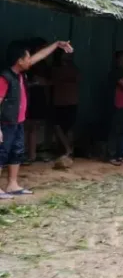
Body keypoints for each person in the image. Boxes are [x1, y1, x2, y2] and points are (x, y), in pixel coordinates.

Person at [1, 40, 72, 198]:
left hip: (17, 121)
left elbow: (39, 56)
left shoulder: (19, 73)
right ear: (19, 61)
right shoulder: (5, 77)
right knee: (2, 153)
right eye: (27, 58)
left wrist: (56, 45)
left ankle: (12, 185)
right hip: (5, 123)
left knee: (16, 152)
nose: (30, 60)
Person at [23, 39, 52, 165]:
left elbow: (48, 82)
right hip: (30, 97)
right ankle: (30, 154)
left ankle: (31, 154)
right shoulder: (30, 65)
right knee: (29, 127)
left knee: (32, 126)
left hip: (38, 97)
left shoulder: (43, 65)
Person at [49, 49, 79, 159]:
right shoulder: (73, 69)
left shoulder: (58, 69)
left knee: (60, 127)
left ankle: (68, 149)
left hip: (63, 101)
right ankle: (69, 149)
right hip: (66, 101)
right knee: (65, 127)